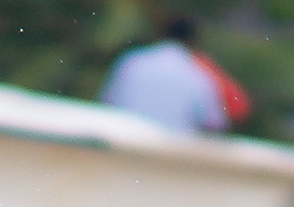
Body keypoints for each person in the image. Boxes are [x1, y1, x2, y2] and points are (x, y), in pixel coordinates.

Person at [100, 19, 250, 135]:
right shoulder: (198, 74)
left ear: (161, 34)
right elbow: (216, 124)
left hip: (124, 148)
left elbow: (106, 105)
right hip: (168, 156)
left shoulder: (131, 61)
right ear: (193, 40)